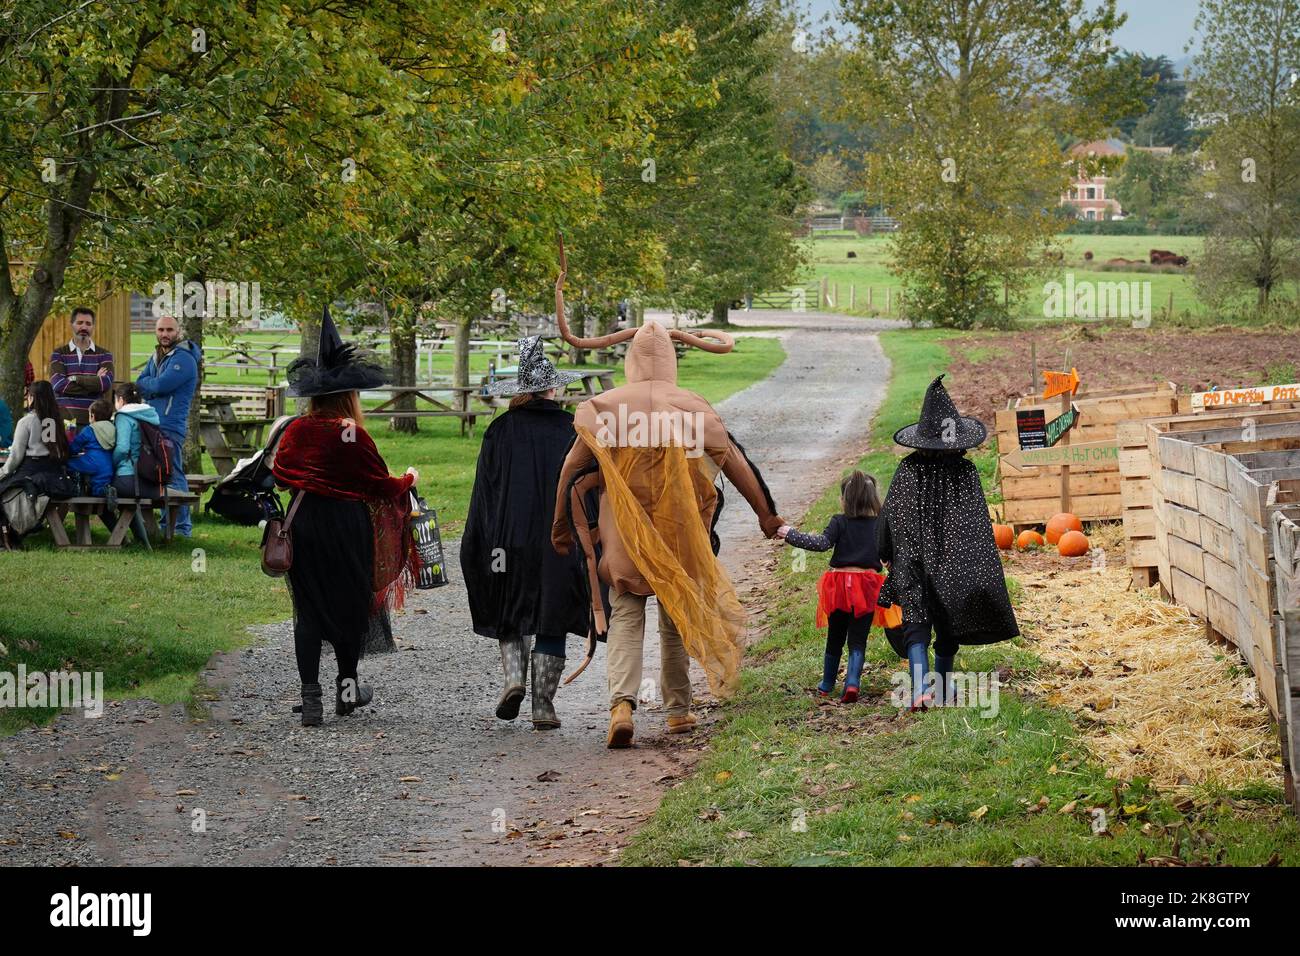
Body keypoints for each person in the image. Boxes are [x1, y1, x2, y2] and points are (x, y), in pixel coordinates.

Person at [548, 237, 785, 749]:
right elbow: (737, 463)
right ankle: (678, 710)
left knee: (627, 611)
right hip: (682, 535)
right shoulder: (693, 407)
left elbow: (570, 470)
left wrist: (562, 528)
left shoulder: (606, 407)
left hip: (622, 537)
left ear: (630, 360)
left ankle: (622, 705)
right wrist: (767, 517)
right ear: (672, 361)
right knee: (676, 615)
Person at [271, 307, 421, 727]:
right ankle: (347, 690)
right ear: (348, 395)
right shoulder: (352, 433)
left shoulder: (297, 429)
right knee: (350, 606)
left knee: (309, 610)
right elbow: (380, 484)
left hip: (304, 526)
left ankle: (310, 697)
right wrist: (409, 478)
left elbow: (281, 475)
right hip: (347, 528)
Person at [462, 336, 589, 730]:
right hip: (559, 538)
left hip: (507, 541)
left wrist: (480, 542)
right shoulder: (574, 429)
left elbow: (485, 492)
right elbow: (587, 488)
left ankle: (514, 678)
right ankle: (543, 706)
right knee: (553, 613)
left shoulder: (499, 431)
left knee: (510, 606)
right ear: (554, 388)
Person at [876, 375, 1019, 710]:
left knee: (916, 621)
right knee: (948, 624)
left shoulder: (908, 470)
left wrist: (884, 550)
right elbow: (977, 524)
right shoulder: (965, 472)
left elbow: (890, 514)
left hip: (911, 560)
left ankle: (921, 688)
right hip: (955, 562)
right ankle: (942, 689)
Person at [777, 471, 889, 703]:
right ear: (874, 499)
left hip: (839, 587)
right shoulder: (880, 524)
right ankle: (852, 683)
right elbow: (888, 554)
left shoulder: (839, 521)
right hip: (867, 586)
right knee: (858, 639)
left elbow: (821, 544)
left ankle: (827, 683)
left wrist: (791, 535)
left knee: (835, 636)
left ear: (844, 500)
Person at [137, 314, 201, 537]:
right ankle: (166, 525)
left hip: (170, 424)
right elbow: (140, 381)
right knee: (161, 474)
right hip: (154, 422)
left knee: (174, 473)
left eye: (169, 330)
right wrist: (149, 385)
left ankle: (182, 529)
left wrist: (149, 385)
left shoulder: (183, 359)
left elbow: (161, 385)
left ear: (178, 332)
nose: (165, 334)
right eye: (161, 330)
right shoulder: (157, 356)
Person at [0, 381, 72, 546]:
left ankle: (8, 537)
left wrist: (3, 472)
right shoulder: (51, 421)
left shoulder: (26, 422)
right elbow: (48, 448)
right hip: (49, 472)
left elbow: (16, 456)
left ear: (32, 398)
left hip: (30, 470)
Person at [110, 382, 163, 546]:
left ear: (120, 400)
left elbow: (122, 448)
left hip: (130, 480)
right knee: (128, 504)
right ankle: (142, 543)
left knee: (98, 490)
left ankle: (119, 540)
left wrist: (112, 464)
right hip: (153, 483)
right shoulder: (151, 416)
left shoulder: (124, 417)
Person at [50, 307, 113, 426]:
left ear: (93, 326)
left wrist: (75, 379)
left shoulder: (105, 355)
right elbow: (58, 385)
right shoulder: (59, 354)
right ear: (72, 325)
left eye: (88, 324)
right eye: (79, 323)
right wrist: (94, 383)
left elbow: (105, 383)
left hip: (94, 423)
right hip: (63, 421)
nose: (84, 327)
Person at [67, 398, 116, 496]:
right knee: (98, 488)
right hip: (108, 464)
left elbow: (74, 447)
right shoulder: (113, 428)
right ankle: (107, 491)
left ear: (92, 415)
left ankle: (76, 487)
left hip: (91, 462)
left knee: (67, 463)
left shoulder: (90, 429)